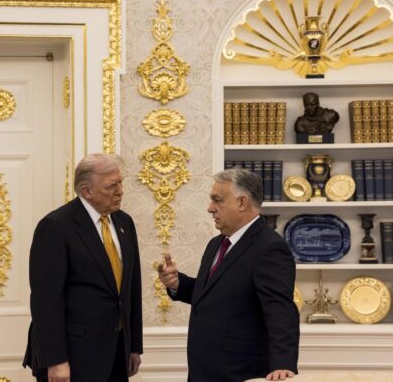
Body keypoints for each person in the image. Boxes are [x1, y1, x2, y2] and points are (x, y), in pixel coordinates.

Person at [157, 168, 299, 382]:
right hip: (203, 370)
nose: (210, 208)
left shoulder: (270, 247)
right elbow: (214, 294)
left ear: (242, 202)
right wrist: (178, 284)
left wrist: (283, 364)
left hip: (239, 372)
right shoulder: (216, 244)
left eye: (217, 200)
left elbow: (280, 310)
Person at [23, 153, 143, 382]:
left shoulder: (124, 222)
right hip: (73, 356)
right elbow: (45, 301)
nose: (120, 191)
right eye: (112, 186)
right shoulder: (56, 226)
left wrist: (134, 346)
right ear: (87, 191)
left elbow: (132, 287)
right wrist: (56, 360)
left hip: (117, 352)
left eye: (120, 183)